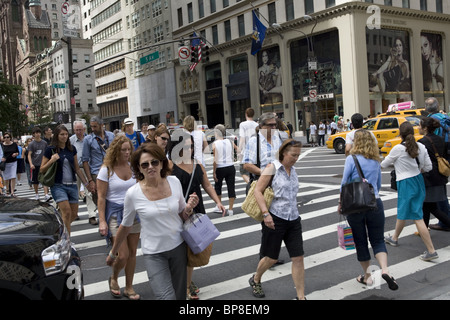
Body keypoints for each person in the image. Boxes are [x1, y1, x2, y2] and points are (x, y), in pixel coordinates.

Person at [106, 143, 199, 300]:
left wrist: (189, 208)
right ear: (139, 168)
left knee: (180, 295)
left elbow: (183, 215)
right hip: (154, 254)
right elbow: (125, 226)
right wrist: (113, 253)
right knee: (166, 297)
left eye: (154, 162)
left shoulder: (174, 182)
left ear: (162, 163)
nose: (150, 167)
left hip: (178, 248)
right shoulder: (133, 194)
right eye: (145, 164)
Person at [169, 130, 226, 299]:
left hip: (196, 212)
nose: (190, 150)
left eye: (192, 147)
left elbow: (207, 185)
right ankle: (179, 281)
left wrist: (218, 201)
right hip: (177, 213)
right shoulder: (170, 165)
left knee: (192, 250)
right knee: (177, 251)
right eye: (185, 147)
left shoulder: (197, 164)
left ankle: (186, 286)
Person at [340, 129, 398, 290]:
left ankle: (367, 277)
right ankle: (385, 270)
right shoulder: (375, 160)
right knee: (378, 240)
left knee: (360, 241)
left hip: (354, 206)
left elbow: (344, 183)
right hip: (375, 203)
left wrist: (340, 203)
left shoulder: (351, 159)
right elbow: (378, 184)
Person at [249, 139, 306, 299]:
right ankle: (256, 278)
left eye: (298, 155)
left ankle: (301, 296)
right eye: (293, 155)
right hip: (275, 219)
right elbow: (258, 191)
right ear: (283, 153)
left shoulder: (292, 170)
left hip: (293, 219)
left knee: (298, 258)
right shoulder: (271, 168)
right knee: (271, 258)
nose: (295, 158)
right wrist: (265, 214)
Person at [381, 122, 438, 261]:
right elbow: (429, 167)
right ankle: (394, 238)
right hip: (418, 181)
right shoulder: (421, 147)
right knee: (404, 211)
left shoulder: (397, 149)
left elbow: (383, 164)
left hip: (406, 183)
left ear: (400, 134)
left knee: (417, 217)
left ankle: (431, 250)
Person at [97, 135, 141, 300]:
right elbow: (101, 197)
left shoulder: (134, 168)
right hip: (115, 214)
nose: (127, 152)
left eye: (129, 149)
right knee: (121, 254)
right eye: (124, 150)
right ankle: (114, 277)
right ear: (116, 151)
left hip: (133, 214)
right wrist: (102, 220)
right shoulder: (106, 170)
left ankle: (129, 287)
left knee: (132, 253)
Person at [40, 125, 89, 235]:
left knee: (73, 214)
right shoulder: (50, 149)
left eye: (66, 134)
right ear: (56, 136)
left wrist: (86, 183)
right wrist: (52, 160)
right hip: (58, 185)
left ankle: (58, 228)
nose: (64, 136)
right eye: (62, 134)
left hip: (72, 184)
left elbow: (77, 168)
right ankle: (67, 240)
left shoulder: (72, 149)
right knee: (66, 212)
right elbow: (42, 169)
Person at [82, 116, 115, 226]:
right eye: (91, 126)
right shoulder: (88, 139)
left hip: (112, 171)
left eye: (95, 126)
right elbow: (85, 160)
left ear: (101, 125)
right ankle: (104, 221)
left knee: (113, 198)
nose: (93, 129)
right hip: (97, 173)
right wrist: (90, 180)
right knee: (100, 200)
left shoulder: (111, 136)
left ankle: (111, 221)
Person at [418, 117, 450, 230]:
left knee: (429, 205)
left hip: (429, 177)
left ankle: (425, 228)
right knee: (428, 205)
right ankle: (423, 229)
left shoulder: (422, 142)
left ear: (425, 128)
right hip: (441, 175)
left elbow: (420, 161)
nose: (418, 127)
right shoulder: (441, 139)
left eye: (420, 125)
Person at [212, 124, 237, 216]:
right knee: (231, 187)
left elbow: (215, 159)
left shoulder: (215, 144)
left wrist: (214, 171)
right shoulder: (229, 141)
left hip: (220, 168)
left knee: (218, 187)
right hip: (230, 167)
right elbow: (237, 149)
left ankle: (220, 207)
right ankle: (231, 209)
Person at [28, 127, 51, 201]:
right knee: (35, 181)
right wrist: (31, 164)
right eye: (36, 133)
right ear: (33, 134)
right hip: (35, 164)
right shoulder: (31, 144)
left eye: (39, 133)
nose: (38, 134)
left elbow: (47, 152)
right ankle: (36, 194)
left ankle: (46, 194)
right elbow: (29, 154)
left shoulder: (44, 143)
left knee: (45, 179)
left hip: (43, 164)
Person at [238, 108, 259, 184]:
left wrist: (239, 150)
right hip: (256, 150)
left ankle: (251, 185)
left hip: (246, 151)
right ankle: (254, 184)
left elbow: (242, 138)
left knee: (243, 171)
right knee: (253, 170)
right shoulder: (257, 124)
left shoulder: (242, 124)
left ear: (246, 114)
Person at [70, 120, 87, 204]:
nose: (78, 132)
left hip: (87, 168)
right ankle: (75, 212)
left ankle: (91, 214)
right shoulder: (71, 140)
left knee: (89, 191)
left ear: (84, 129)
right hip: (76, 169)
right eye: (77, 130)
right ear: (74, 130)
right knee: (75, 191)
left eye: (80, 130)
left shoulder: (88, 139)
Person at [1, 133, 19, 197]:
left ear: (10, 138)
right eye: (5, 137)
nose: (6, 138)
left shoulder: (14, 144)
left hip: (13, 162)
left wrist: (15, 154)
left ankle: (12, 192)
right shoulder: (1, 145)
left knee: (13, 176)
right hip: (5, 163)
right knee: (6, 178)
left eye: (7, 137)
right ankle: (7, 191)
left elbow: (17, 152)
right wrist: (1, 158)